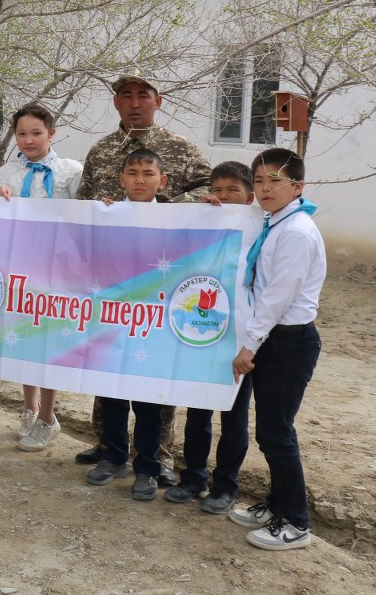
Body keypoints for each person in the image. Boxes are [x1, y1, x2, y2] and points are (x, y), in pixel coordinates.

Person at [74, 72, 213, 484]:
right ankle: (108, 445)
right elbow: (84, 204)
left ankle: (159, 455)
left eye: (143, 95)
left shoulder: (180, 148)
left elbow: (210, 191)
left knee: (155, 370)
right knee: (109, 363)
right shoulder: (101, 151)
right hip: (112, 278)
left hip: (162, 278)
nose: (135, 102)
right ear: (116, 102)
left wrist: (158, 209)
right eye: (126, 96)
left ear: (158, 100)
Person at [228, 148, 324, 551]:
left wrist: (249, 345)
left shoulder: (295, 232)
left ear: (297, 187)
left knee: (277, 433)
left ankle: (296, 522)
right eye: (259, 181)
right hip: (274, 338)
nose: (265, 188)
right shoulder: (274, 222)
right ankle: (277, 505)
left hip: (288, 341)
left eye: (275, 181)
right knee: (270, 432)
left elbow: (277, 297)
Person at [164, 161, 256, 514]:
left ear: (249, 196)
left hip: (241, 340)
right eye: (217, 190)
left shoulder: (260, 230)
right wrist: (201, 218)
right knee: (198, 411)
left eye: (233, 190)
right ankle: (193, 477)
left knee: (234, 416)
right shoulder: (204, 222)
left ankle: (226, 485)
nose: (224, 197)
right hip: (203, 336)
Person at [0, 103, 83, 452]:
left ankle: (48, 416)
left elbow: (83, 217)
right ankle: (29, 408)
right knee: (26, 338)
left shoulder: (71, 171)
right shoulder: (7, 173)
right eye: (21, 134)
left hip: (58, 270)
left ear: (51, 133)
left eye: (36, 133)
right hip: (20, 267)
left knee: (49, 342)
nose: (28, 140)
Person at [85, 149, 169, 501]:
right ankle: (115, 456)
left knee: (149, 401)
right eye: (132, 173)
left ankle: (147, 466)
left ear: (162, 181)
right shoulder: (106, 215)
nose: (139, 180)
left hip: (152, 325)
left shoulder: (178, 220)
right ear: (120, 179)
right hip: (112, 319)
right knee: (112, 393)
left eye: (148, 174)